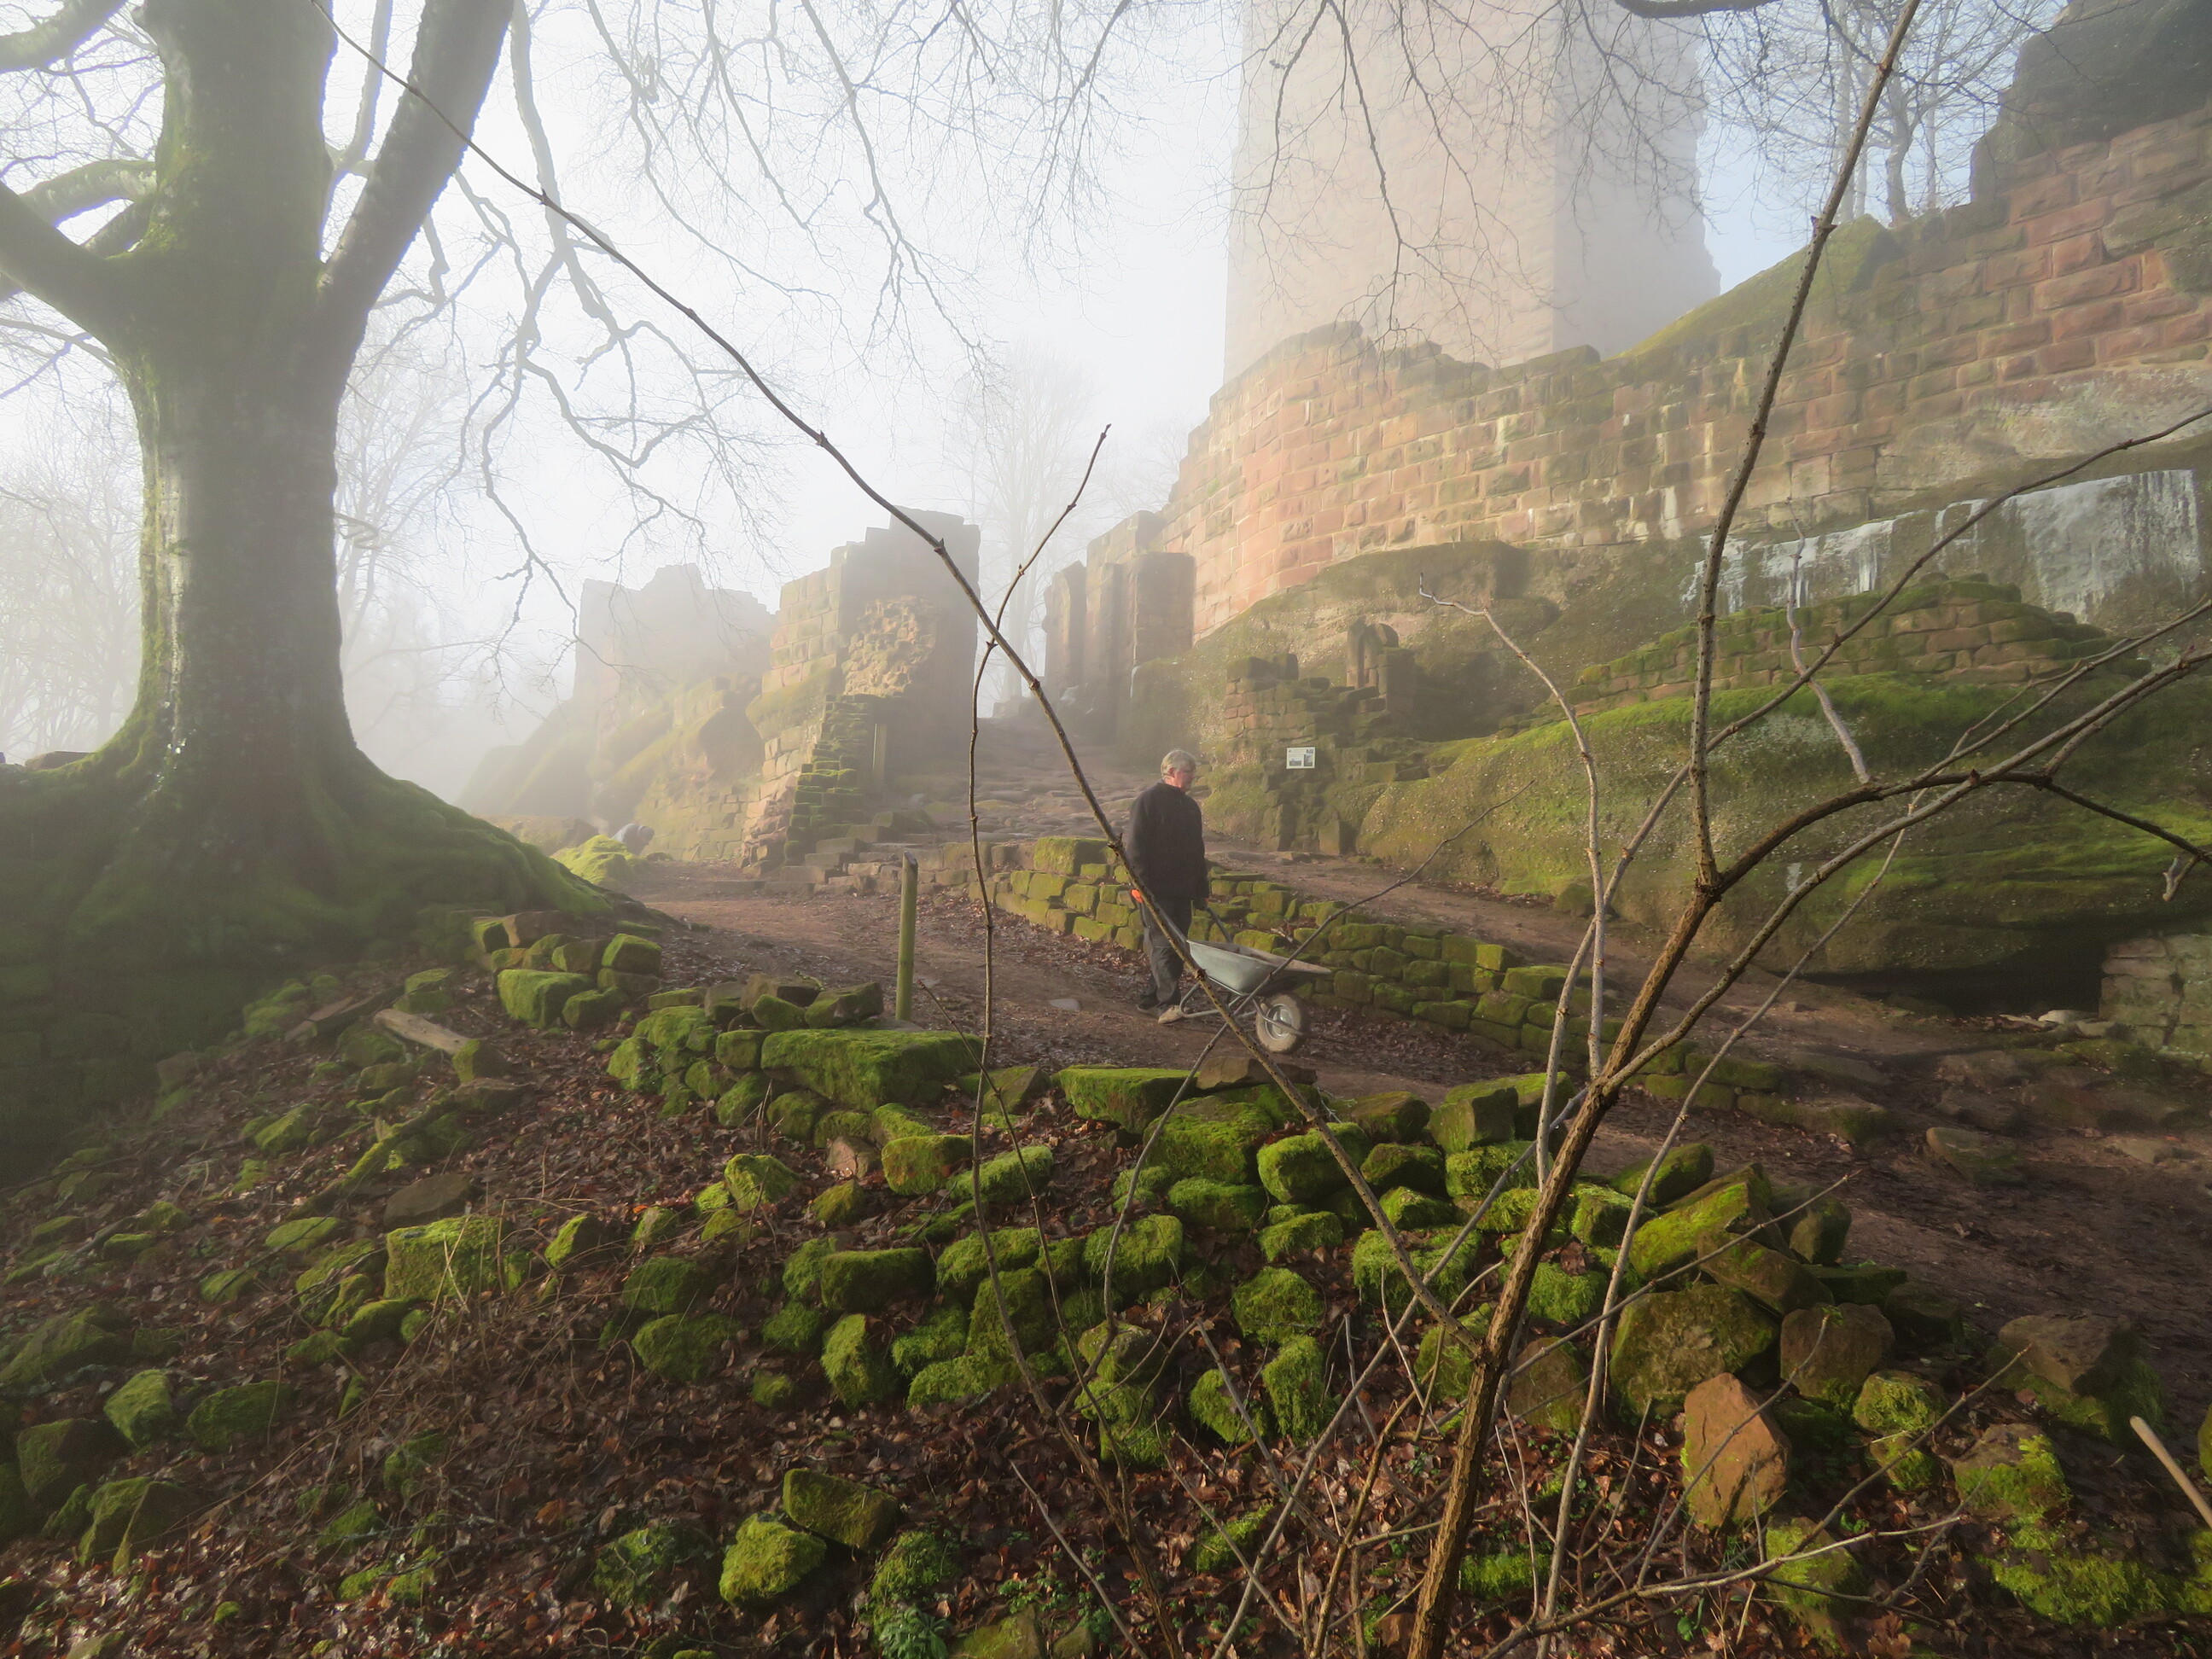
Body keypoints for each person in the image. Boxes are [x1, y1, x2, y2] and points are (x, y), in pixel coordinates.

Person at [1126, 749, 1208, 1021]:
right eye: (1188, 771)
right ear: (1172, 772)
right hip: (1154, 889)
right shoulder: (1148, 801)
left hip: (1183, 889)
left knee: (1178, 947)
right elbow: (1135, 847)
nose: (1193, 776)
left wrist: (1201, 889)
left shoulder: (1190, 807)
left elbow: (1197, 850)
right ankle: (1168, 1005)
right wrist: (1139, 884)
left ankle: (1150, 999)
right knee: (1162, 944)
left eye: (1194, 771)